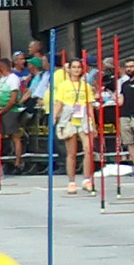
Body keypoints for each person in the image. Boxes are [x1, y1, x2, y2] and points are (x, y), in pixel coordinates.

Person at [51, 55, 94, 194]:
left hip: (83, 118)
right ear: (69, 69)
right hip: (69, 118)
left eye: (79, 67)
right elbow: (59, 102)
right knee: (71, 153)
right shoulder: (64, 85)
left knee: (88, 149)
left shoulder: (86, 86)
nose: (76, 70)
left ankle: (87, 180)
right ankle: (71, 181)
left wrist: (93, 123)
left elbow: (90, 105)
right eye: (74, 67)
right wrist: (54, 116)